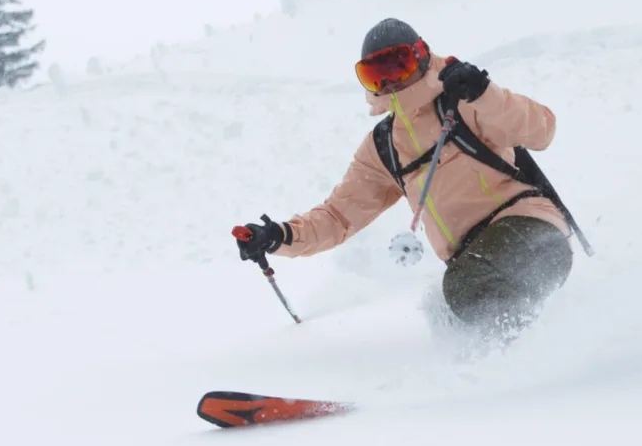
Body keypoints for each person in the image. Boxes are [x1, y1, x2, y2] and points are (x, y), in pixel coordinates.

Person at [235, 18, 575, 340]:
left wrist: (484, 92)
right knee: (448, 313)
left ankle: (518, 365)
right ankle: (471, 382)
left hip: (532, 232)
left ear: (422, 57)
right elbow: (338, 216)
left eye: (399, 65)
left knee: (467, 289)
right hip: (473, 262)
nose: (390, 82)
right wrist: (278, 237)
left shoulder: (464, 98)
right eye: (374, 75)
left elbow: (541, 131)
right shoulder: (384, 147)